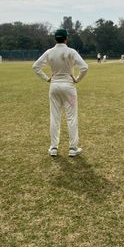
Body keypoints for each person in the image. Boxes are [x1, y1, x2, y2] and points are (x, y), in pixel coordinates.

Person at [32, 28, 88, 157]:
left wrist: (47, 78)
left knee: (54, 117)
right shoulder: (71, 51)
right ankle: (73, 149)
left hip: (54, 86)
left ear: (55, 38)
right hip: (69, 86)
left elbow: (35, 67)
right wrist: (77, 79)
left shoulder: (49, 52)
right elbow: (85, 67)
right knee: (71, 118)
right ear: (66, 38)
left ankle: (54, 148)